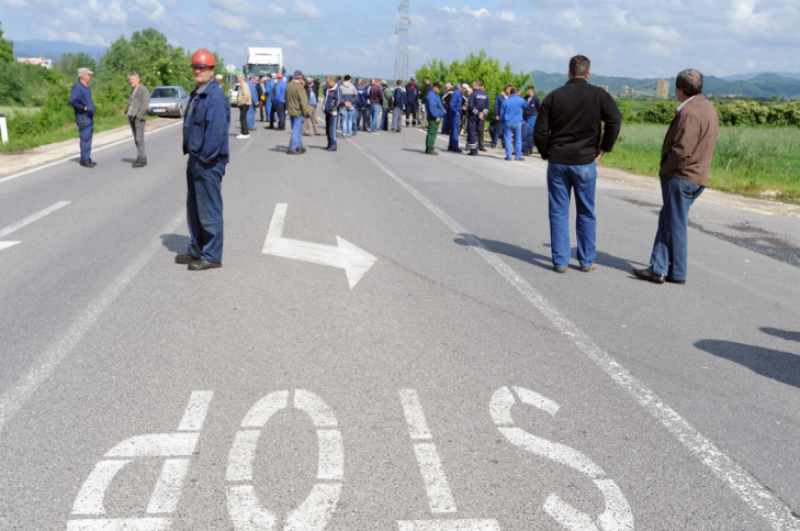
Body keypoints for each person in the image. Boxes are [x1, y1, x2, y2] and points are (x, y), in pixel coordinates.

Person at [534, 55, 622, 273]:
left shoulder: (554, 97)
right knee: (586, 212)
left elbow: (540, 131)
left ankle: (561, 261)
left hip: (558, 162)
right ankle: (585, 260)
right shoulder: (599, 95)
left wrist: (547, 153)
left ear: (569, 73)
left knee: (558, 212)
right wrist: (603, 148)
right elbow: (615, 119)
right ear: (588, 74)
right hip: (585, 161)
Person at [633, 69, 719, 285]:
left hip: (682, 176)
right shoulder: (708, 108)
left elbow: (682, 150)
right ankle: (660, 268)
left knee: (675, 223)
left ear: (680, 90)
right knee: (668, 220)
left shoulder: (689, 112)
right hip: (697, 176)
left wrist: (667, 170)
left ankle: (674, 271)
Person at [176, 48, 230, 271]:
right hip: (196, 160)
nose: (198, 71)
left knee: (209, 209)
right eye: (195, 67)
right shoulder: (198, 93)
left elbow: (216, 135)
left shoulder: (215, 97)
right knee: (195, 208)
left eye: (202, 68)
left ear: (211, 70)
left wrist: (204, 160)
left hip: (208, 162)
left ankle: (212, 255)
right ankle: (197, 249)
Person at [69, 67, 96, 168]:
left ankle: (87, 158)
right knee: (85, 137)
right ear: (83, 75)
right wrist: (83, 108)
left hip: (89, 116)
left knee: (88, 137)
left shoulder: (86, 87)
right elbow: (73, 101)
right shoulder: (78, 87)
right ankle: (84, 160)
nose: (90, 76)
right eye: (89, 74)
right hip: (83, 117)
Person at [124, 72, 149, 168]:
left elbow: (145, 105)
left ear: (138, 79)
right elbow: (132, 102)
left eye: (132, 79)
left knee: (139, 139)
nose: (131, 81)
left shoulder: (143, 90)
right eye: (130, 80)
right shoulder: (133, 90)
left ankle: (142, 159)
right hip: (131, 117)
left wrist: (139, 115)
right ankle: (140, 157)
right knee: (136, 139)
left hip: (138, 118)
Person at [285, 70, 310, 155]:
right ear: (301, 77)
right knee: (296, 131)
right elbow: (303, 101)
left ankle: (300, 146)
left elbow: (286, 98)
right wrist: (306, 112)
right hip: (298, 112)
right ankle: (293, 148)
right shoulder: (299, 87)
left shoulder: (288, 86)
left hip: (291, 111)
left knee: (297, 130)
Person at [500, 87, 527, 161]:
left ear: (510, 92)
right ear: (517, 92)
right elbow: (526, 106)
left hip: (507, 122)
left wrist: (503, 122)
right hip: (517, 122)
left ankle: (509, 156)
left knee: (508, 139)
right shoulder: (520, 100)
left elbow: (502, 113)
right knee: (518, 139)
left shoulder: (506, 101)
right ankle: (518, 156)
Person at [466, 79, 489, 156]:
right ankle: (475, 149)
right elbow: (487, 107)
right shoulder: (485, 95)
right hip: (480, 118)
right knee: (477, 133)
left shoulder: (473, 94)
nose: (472, 86)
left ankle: (473, 150)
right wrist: (483, 114)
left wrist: (478, 113)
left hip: (473, 116)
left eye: (473, 85)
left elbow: (471, 106)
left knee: (472, 132)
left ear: (476, 85)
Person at [424, 81, 444, 155]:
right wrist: (436, 116)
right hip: (434, 117)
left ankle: (428, 148)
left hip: (435, 116)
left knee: (432, 132)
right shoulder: (432, 95)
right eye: (438, 87)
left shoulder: (434, 95)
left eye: (440, 88)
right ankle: (430, 149)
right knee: (432, 133)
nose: (439, 89)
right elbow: (432, 107)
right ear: (434, 87)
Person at [323, 76, 341, 151]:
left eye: (328, 82)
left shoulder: (336, 89)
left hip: (333, 113)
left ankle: (333, 145)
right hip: (327, 112)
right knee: (327, 129)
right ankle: (329, 144)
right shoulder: (328, 89)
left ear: (332, 81)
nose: (327, 84)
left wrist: (331, 108)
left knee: (332, 130)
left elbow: (338, 101)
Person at [447, 82, 463, 152]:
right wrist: (456, 112)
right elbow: (451, 104)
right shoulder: (457, 93)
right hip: (455, 115)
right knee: (455, 130)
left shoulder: (458, 93)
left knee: (453, 130)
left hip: (454, 114)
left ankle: (451, 146)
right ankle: (455, 147)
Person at [235, 74, 251, 139]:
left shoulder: (244, 85)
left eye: (239, 78)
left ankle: (244, 133)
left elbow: (246, 95)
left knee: (242, 118)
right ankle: (245, 132)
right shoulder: (241, 85)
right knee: (243, 118)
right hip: (243, 104)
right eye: (237, 78)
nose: (238, 79)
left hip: (244, 104)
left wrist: (241, 102)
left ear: (242, 78)